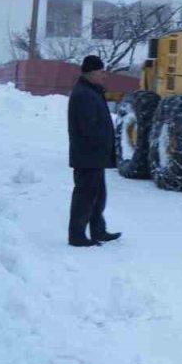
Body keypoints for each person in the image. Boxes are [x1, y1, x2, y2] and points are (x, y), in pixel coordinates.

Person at [67, 55, 122, 247]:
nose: (103, 75)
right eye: (100, 71)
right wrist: (102, 143)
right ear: (90, 72)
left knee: (98, 196)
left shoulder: (92, 91)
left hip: (95, 156)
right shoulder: (83, 94)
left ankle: (98, 231)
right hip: (87, 155)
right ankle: (77, 236)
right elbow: (87, 127)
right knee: (85, 196)